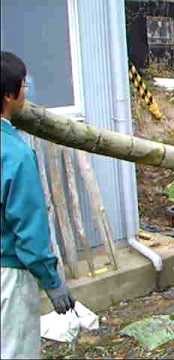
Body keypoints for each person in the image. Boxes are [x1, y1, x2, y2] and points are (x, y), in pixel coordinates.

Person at [1, 51, 75, 359]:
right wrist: (53, 282)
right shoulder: (15, 154)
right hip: (8, 276)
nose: (26, 92)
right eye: (25, 86)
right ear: (10, 93)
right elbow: (29, 233)